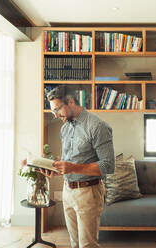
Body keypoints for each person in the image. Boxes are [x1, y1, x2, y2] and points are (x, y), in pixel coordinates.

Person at [40, 86, 115, 248]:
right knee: (74, 244)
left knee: (87, 245)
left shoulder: (97, 126)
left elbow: (108, 165)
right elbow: (69, 161)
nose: (55, 115)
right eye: (53, 111)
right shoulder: (65, 128)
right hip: (68, 191)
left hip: (88, 193)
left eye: (57, 109)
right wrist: (54, 168)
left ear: (71, 101)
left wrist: (72, 168)